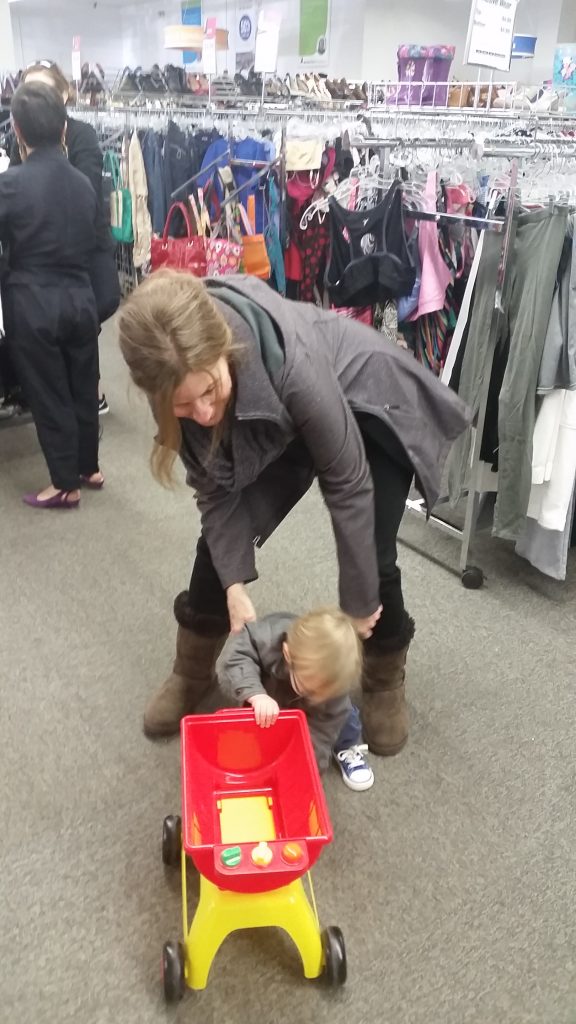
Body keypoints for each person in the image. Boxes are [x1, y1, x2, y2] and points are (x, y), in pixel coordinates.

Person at [118, 270, 470, 754]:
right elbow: (217, 498)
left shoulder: (289, 362)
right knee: (218, 547)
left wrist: (358, 598)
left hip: (367, 398)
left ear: (225, 350)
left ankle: (384, 678)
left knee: (373, 553)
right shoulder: (186, 385)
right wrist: (234, 589)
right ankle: (191, 670)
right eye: (183, 404)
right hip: (281, 413)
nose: (201, 413)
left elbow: (347, 480)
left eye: (209, 391)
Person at [0, 82, 103, 507]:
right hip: (81, 295)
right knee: (82, 385)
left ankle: (64, 483)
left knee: (48, 391)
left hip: (32, 297)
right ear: (64, 130)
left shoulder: (11, 184)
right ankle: (88, 466)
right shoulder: (84, 184)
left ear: (18, 131)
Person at [11, 60, 120, 415]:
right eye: (29, 90)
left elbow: (83, 188)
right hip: (46, 258)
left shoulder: (81, 134)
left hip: (83, 254)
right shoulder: (20, 138)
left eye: (44, 89)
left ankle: (85, 394)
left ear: (63, 94)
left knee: (76, 322)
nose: (36, 97)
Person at [216, 608, 374, 791]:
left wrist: (306, 770)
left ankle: (347, 746)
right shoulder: (267, 639)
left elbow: (320, 736)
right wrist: (256, 694)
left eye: (321, 692)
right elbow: (237, 656)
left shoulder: (331, 693)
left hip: (333, 713)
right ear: (287, 654)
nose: (314, 698)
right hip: (274, 687)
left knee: (342, 718)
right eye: (308, 688)